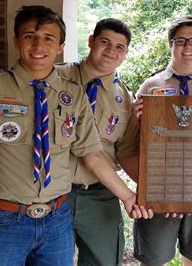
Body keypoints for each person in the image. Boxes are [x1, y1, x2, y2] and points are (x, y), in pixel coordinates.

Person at [0, 6, 146, 266]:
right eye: (30, 36)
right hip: (5, 219)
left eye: (48, 38)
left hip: (57, 217)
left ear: (60, 46)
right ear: (16, 40)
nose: (38, 45)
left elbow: (92, 153)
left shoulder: (75, 95)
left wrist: (129, 196)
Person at [56, 18, 153, 266]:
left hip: (100, 195)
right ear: (91, 41)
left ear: (126, 53)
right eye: (105, 42)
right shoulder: (54, 79)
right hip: (54, 194)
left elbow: (126, 153)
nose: (111, 50)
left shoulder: (126, 99)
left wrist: (155, 190)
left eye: (120, 47)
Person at [134, 15, 192, 266]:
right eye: (180, 41)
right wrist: (137, 120)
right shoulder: (151, 87)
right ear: (171, 44)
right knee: (153, 259)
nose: (188, 47)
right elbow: (137, 140)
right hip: (160, 186)